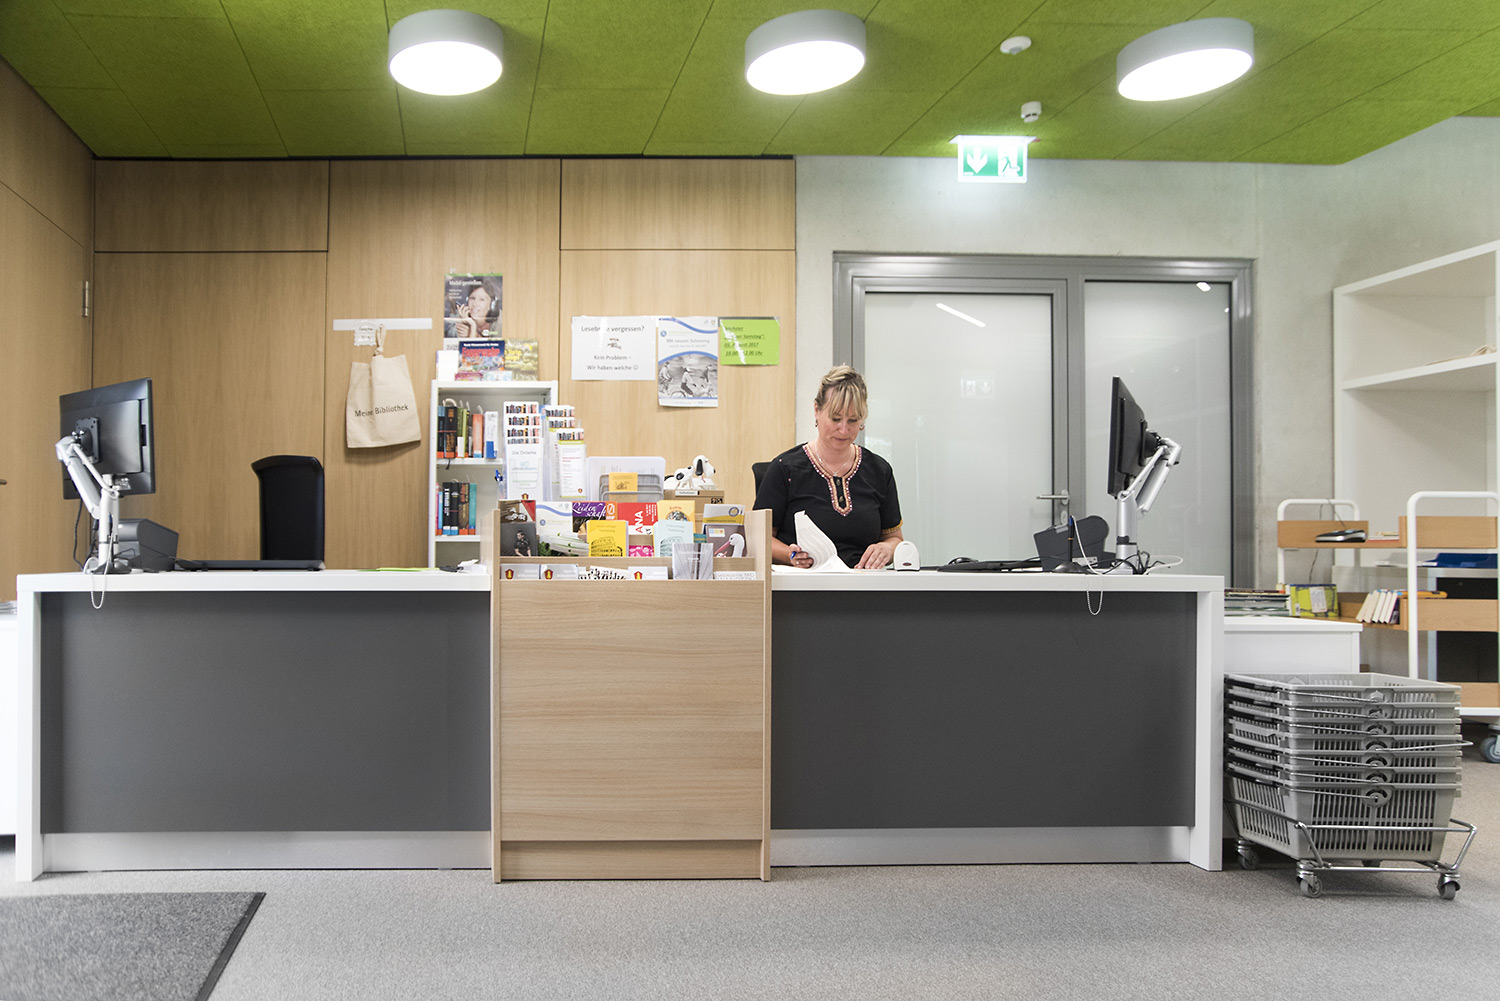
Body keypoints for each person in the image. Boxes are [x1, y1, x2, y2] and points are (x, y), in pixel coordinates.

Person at [753, 365, 903, 569]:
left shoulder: (879, 471)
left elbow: (895, 539)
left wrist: (887, 549)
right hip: (804, 582)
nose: (844, 429)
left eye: (853, 420)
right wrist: (790, 554)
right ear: (816, 410)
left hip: (863, 581)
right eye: (835, 418)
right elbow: (759, 539)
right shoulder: (785, 469)